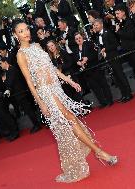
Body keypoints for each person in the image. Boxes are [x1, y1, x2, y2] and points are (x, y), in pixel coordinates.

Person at [13, 19, 118, 183]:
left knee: (72, 121)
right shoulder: (20, 55)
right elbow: (29, 81)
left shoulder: (38, 47)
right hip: (45, 92)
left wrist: (70, 81)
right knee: (70, 118)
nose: (25, 33)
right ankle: (99, 152)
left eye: (26, 29)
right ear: (15, 35)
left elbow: (52, 68)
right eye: (21, 31)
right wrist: (40, 102)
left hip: (56, 88)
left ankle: (98, 151)